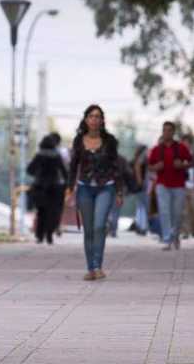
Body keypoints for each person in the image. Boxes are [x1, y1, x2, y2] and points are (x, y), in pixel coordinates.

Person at [66, 105, 123, 280]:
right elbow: (73, 166)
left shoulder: (110, 141)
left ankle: (98, 265)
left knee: (99, 226)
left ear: (102, 120)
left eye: (98, 116)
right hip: (84, 188)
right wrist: (69, 189)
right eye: (91, 116)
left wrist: (119, 191)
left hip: (106, 186)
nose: (94, 119)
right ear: (86, 119)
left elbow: (116, 167)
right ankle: (91, 268)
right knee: (88, 229)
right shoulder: (78, 140)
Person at [148, 122, 193, 250]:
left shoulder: (181, 148)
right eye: (164, 130)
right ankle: (167, 239)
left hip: (178, 185)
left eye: (169, 130)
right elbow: (150, 166)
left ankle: (175, 236)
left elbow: (191, 161)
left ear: (173, 132)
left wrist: (183, 165)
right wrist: (155, 167)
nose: (167, 132)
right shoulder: (157, 149)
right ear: (162, 132)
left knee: (177, 213)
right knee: (164, 211)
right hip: (162, 185)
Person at [27, 134, 69, 245]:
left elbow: (29, 170)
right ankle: (49, 235)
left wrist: (38, 173)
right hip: (53, 187)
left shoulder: (39, 155)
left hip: (39, 186)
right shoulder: (56, 155)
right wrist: (67, 183)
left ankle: (39, 236)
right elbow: (63, 171)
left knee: (41, 212)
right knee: (52, 212)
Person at [180, 133, 194, 240]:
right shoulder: (178, 156)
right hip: (182, 186)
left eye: (187, 142)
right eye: (183, 142)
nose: (185, 144)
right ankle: (185, 232)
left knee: (193, 210)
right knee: (184, 210)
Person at [129, 145, 150, 236]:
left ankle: (140, 225)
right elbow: (137, 168)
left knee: (140, 206)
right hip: (142, 185)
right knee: (144, 206)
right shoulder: (141, 159)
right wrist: (140, 181)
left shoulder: (136, 159)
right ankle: (142, 226)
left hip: (138, 186)